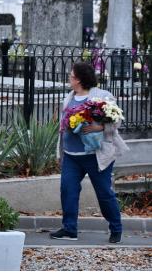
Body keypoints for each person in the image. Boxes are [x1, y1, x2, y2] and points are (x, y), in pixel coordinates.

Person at [50, 62, 129, 243]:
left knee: (104, 193)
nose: (69, 79)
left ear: (78, 79)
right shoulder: (69, 97)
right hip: (71, 155)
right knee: (67, 190)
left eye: (71, 76)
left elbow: (116, 121)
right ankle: (70, 230)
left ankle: (116, 228)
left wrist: (98, 127)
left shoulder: (102, 96)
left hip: (95, 156)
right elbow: (64, 125)